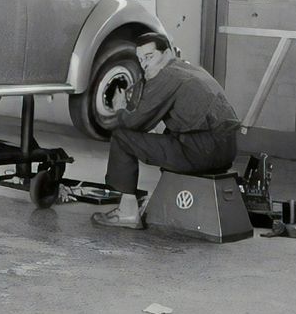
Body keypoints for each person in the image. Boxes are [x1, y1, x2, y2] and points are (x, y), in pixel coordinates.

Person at [92, 32, 241, 230]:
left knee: (122, 137)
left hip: (203, 151)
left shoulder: (168, 76)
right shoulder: (189, 69)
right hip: (225, 150)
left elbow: (133, 124)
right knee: (169, 135)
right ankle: (157, 200)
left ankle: (127, 213)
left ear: (168, 52)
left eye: (150, 56)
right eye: (140, 59)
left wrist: (120, 107)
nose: (144, 64)